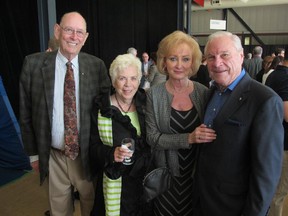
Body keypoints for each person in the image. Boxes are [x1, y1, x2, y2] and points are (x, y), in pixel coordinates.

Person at [19, 11, 111, 216]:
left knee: (92, 206)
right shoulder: (33, 65)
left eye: (80, 32)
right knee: (59, 210)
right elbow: (25, 114)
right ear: (58, 31)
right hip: (54, 155)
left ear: (86, 38)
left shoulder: (96, 66)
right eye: (69, 30)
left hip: (87, 155)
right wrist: (33, 154)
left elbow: (107, 111)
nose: (74, 37)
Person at [195, 31, 284, 216]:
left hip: (235, 207)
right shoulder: (211, 93)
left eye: (224, 55)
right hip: (203, 201)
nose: (217, 62)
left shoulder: (265, 100)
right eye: (211, 56)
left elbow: (266, 176)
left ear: (241, 55)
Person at [145, 30, 216, 216]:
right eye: (173, 59)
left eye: (185, 59)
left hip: (197, 177)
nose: (179, 65)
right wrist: (189, 138)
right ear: (164, 62)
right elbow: (152, 138)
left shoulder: (204, 93)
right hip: (166, 178)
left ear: (192, 62)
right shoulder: (154, 94)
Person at [89, 53, 150, 215]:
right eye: (122, 78)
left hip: (142, 182)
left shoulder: (146, 104)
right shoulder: (101, 108)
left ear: (139, 80)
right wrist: (111, 153)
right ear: (113, 81)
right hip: (114, 181)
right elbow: (92, 148)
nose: (128, 84)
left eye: (133, 78)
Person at [266, 58, 288, 216]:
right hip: (283, 145)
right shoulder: (285, 77)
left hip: (275, 141)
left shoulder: (273, 74)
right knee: (279, 193)